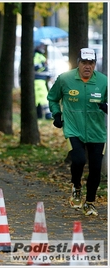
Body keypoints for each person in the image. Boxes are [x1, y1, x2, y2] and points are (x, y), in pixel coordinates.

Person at [47, 48, 107, 216]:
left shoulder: (103, 82)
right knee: (79, 160)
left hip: (97, 132)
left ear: (95, 64)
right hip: (73, 129)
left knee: (95, 169)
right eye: (84, 63)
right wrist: (57, 114)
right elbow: (52, 98)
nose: (87, 66)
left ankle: (90, 203)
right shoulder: (65, 79)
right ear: (78, 63)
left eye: (91, 63)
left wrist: (106, 107)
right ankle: (76, 187)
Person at [34, 41, 52, 119]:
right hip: (38, 80)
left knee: (39, 98)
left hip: (42, 79)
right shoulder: (36, 56)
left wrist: (49, 75)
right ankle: (47, 114)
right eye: (42, 46)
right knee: (43, 97)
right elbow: (36, 67)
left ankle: (39, 114)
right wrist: (44, 65)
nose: (43, 47)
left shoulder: (40, 55)